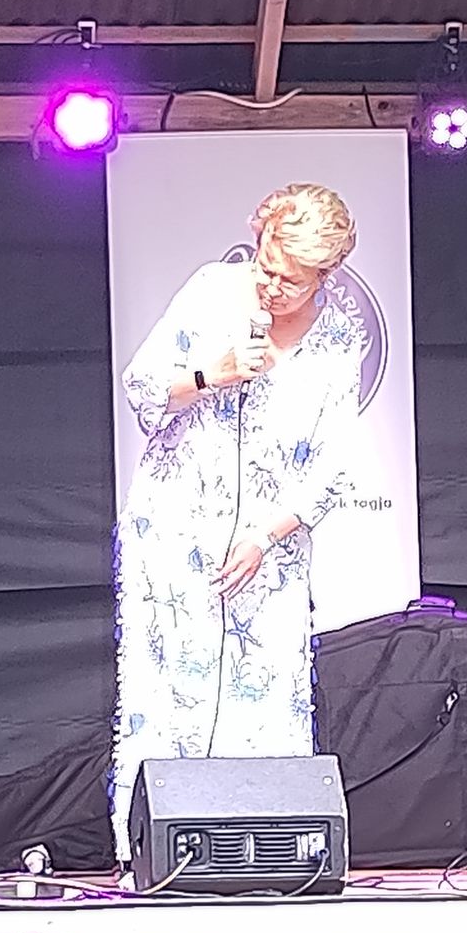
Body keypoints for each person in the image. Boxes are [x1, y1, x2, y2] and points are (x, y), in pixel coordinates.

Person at [110, 183, 363, 861]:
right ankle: (156, 851)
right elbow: (141, 387)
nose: (271, 287)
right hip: (174, 530)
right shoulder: (212, 292)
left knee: (265, 687)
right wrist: (208, 374)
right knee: (170, 683)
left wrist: (267, 536)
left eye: (290, 280)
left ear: (325, 276)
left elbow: (335, 465)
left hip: (269, 547)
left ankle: (261, 849)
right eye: (266, 266)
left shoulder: (341, 339)